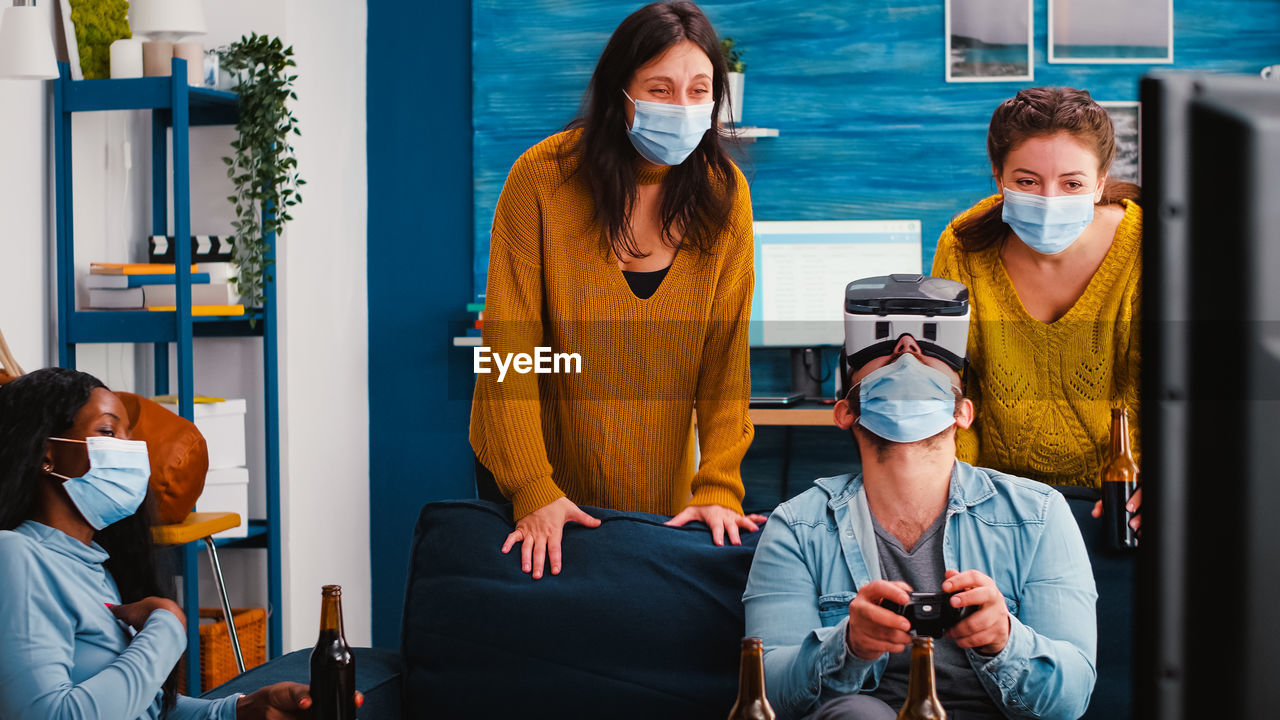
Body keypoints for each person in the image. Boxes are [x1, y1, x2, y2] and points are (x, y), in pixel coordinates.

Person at [469, 0, 763, 580]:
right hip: (534, 473)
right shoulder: (542, 179)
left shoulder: (725, 195)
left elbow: (724, 359)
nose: (682, 106)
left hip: (659, 480)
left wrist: (719, 484)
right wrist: (532, 488)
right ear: (618, 95)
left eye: (699, 90)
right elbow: (510, 354)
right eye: (659, 88)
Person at [743, 276, 1096, 720]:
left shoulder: (1039, 515)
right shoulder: (796, 528)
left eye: (929, 352)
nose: (907, 351)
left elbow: (1071, 699)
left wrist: (1004, 638)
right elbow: (767, 693)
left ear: (962, 411)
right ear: (845, 411)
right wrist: (848, 644)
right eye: (884, 349)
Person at [0, 368, 361, 719]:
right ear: (47, 454)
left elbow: (143, 707)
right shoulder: (15, 555)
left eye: (130, 436)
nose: (130, 451)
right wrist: (168, 628)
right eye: (108, 432)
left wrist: (241, 709)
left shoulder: (94, 569)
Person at [930, 87, 1144, 528]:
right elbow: (954, 386)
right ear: (998, 177)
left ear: (1100, 181)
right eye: (1027, 181)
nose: (1049, 199)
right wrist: (955, 489)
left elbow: (1173, 392)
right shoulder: (962, 246)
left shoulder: (1149, 246)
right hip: (994, 502)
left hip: (1119, 502)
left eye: (1072, 183)